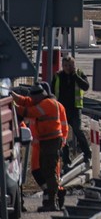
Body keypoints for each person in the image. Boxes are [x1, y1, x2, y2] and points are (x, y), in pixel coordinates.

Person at [12, 84, 64, 212]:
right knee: (45, 170)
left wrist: (13, 106)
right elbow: (27, 101)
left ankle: (52, 201)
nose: (32, 100)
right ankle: (51, 198)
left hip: (51, 141)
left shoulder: (47, 104)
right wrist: (12, 96)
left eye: (33, 98)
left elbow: (29, 111)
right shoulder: (42, 101)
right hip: (46, 141)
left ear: (39, 96)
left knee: (49, 171)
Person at [52, 54, 92, 169]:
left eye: (70, 65)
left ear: (74, 65)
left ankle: (87, 153)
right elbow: (52, 91)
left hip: (75, 108)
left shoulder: (79, 74)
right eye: (65, 65)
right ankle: (66, 160)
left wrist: (75, 76)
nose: (68, 68)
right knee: (63, 134)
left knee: (78, 130)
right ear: (62, 66)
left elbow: (85, 86)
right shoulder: (58, 76)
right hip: (62, 109)